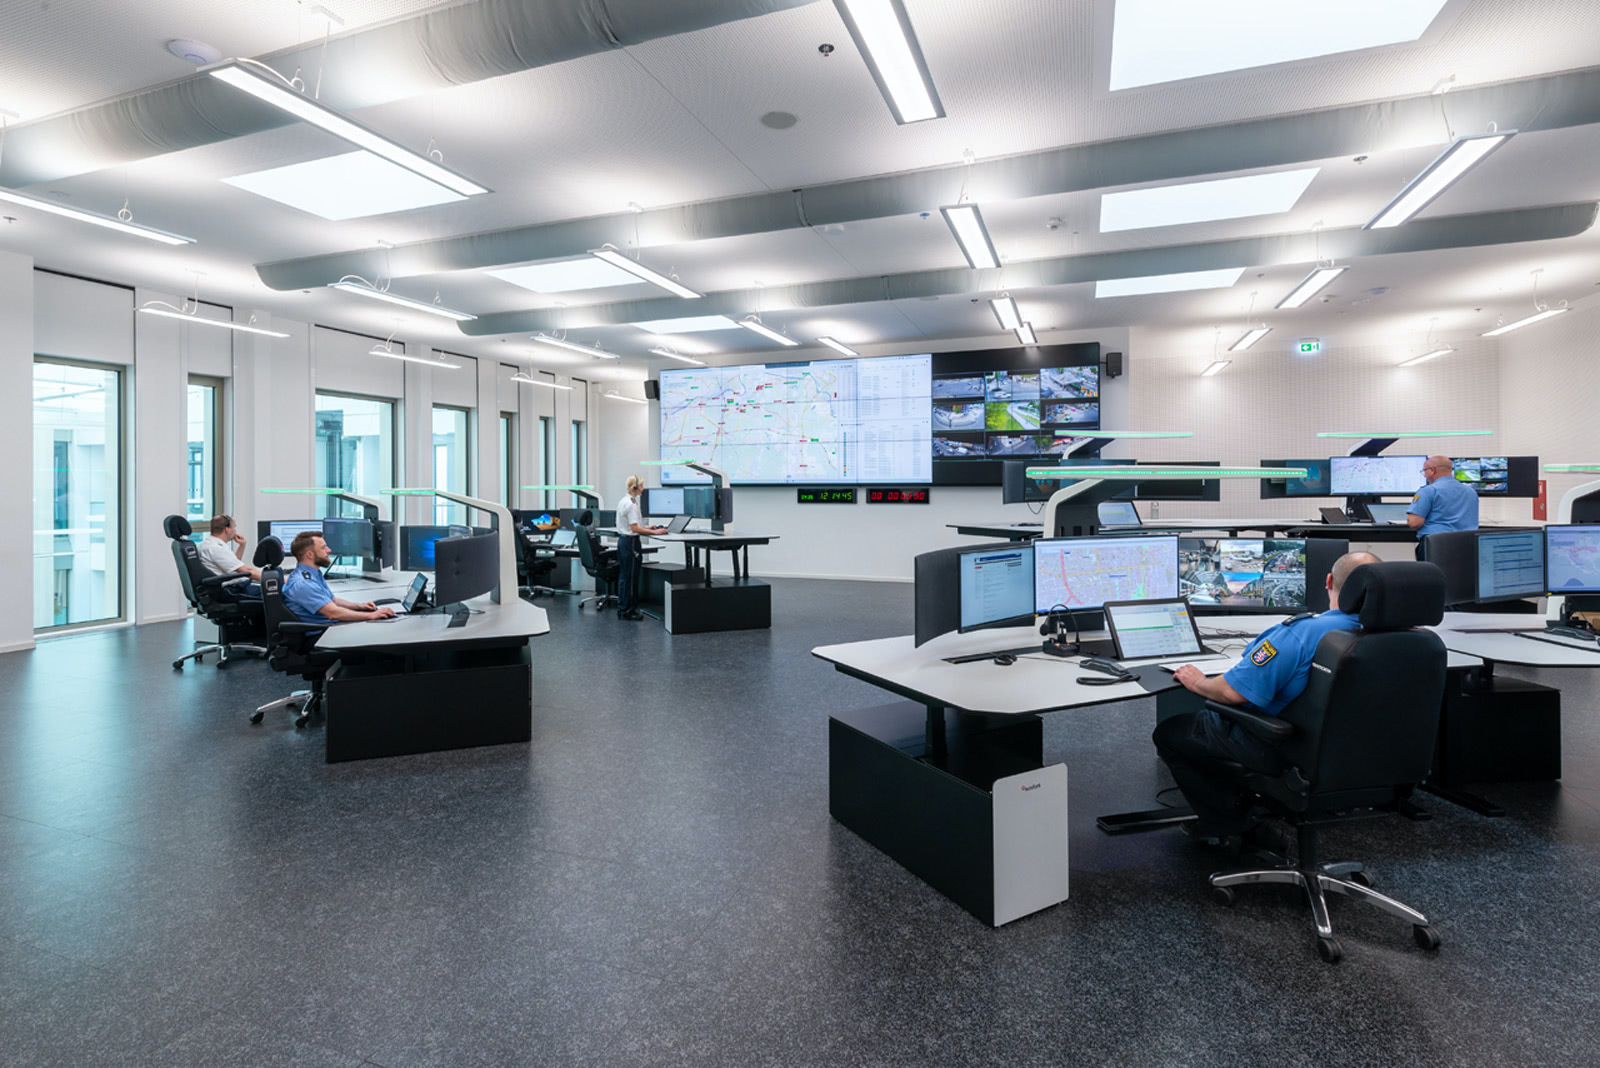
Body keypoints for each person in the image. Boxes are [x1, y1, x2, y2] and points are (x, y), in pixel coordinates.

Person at [1153, 551, 1380, 845]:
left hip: (1286, 748)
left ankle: (1231, 825)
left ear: (1328, 581)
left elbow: (1231, 692)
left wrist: (1197, 682)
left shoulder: (1302, 633)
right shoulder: (1409, 636)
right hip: (1364, 750)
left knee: (1171, 733)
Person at [281, 531, 395, 625]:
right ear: (309, 554)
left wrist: (360, 606)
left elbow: (333, 601)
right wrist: (371, 615)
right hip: (322, 633)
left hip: (330, 626)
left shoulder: (313, 573)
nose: (329, 550)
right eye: (323, 548)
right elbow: (333, 613)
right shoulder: (303, 583)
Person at [614, 475, 666, 621]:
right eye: (642, 485)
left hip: (624, 542)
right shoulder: (631, 505)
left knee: (625, 577)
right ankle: (628, 611)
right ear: (635, 487)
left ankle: (623, 609)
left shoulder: (624, 501)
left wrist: (648, 527)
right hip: (631, 543)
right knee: (631, 578)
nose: (643, 488)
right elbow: (635, 529)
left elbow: (632, 525)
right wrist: (655, 532)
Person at [1408, 455, 1479, 559]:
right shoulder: (1471, 492)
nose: (1425, 475)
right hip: (1467, 545)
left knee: (1432, 570)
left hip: (1437, 546)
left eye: (1425, 471)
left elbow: (1415, 522)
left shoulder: (1428, 491)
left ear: (1432, 471)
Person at [196, 514, 261, 597]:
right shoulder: (216, 548)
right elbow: (246, 570)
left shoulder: (207, 544)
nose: (235, 531)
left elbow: (234, 565)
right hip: (232, 590)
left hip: (229, 588)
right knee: (273, 591)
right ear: (227, 529)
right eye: (234, 527)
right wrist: (272, 578)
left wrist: (242, 545)